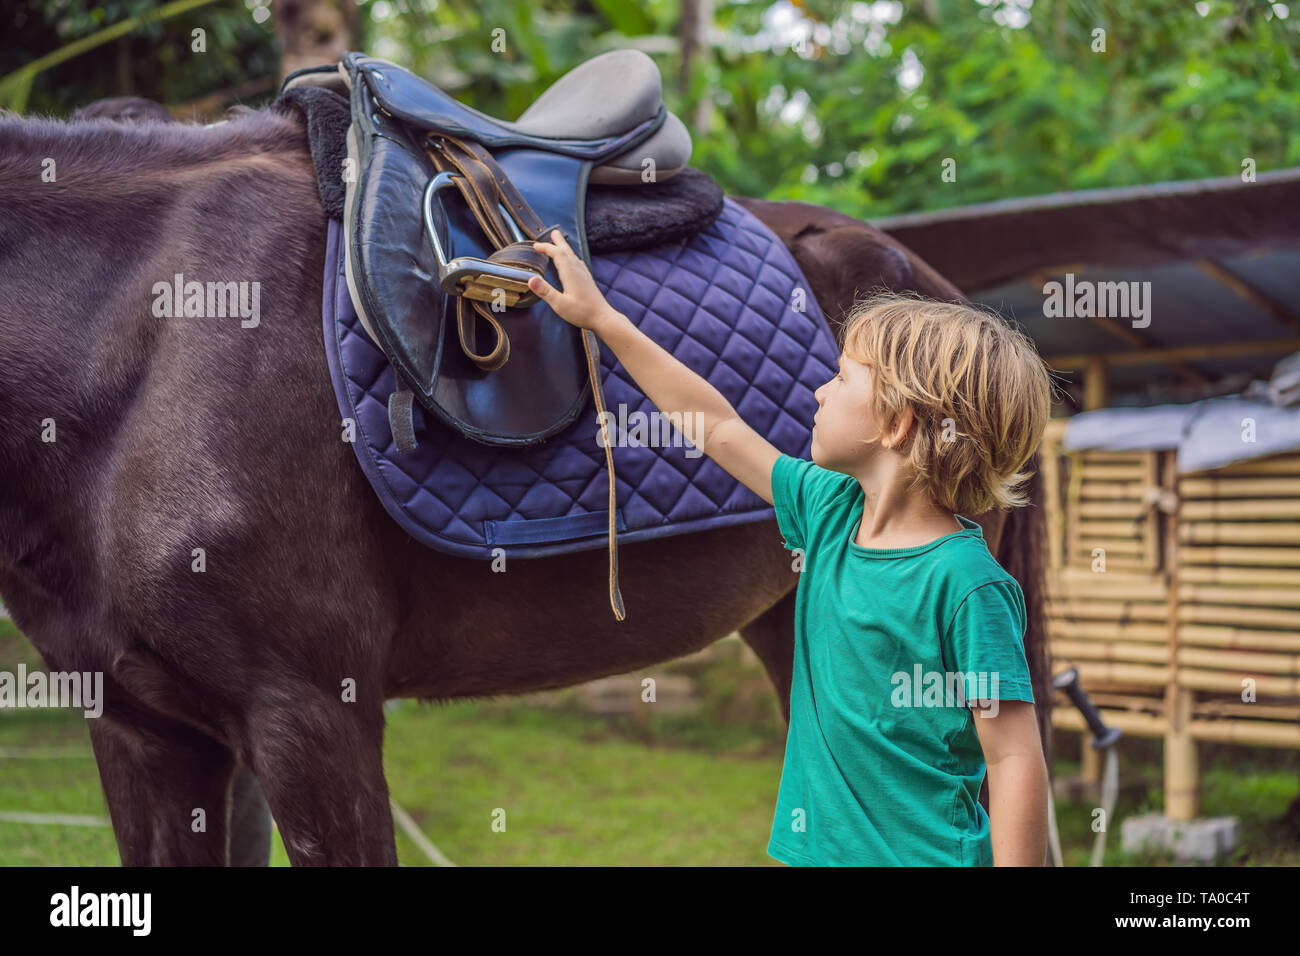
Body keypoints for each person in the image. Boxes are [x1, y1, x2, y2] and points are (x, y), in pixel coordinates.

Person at [527, 228, 1053, 866]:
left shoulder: (967, 585)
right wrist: (602, 320)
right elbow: (717, 427)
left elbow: (1013, 754)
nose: (819, 391)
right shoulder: (829, 512)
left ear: (897, 424)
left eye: (840, 377)